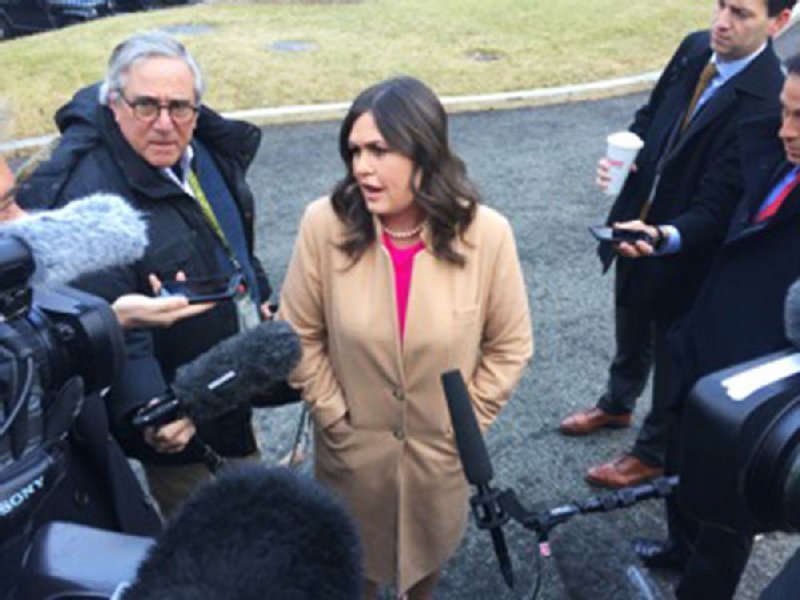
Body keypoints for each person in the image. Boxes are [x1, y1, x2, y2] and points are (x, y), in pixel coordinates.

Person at [279, 77, 533, 599]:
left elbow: (510, 346)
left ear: (424, 151)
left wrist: (461, 428)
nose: (361, 168)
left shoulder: (487, 234)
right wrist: (334, 416)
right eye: (354, 150)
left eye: (379, 150)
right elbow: (297, 332)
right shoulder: (322, 224)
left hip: (437, 467)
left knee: (424, 578)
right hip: (351, 464)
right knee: (351, 579)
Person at [15, 32, 274, 517]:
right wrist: (153, 412)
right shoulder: (92, 198)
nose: (164, 125)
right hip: (180, 421)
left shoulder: (205, 152)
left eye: (179, 107)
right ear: (114, 103)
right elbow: (109, 324)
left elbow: (230, 237)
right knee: (212, 552)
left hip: (226, 382)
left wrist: (257, 293)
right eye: (146, 106)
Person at [560, 0, 794, 491]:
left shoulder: (770, 98)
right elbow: (650, 117)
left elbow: (722, 203)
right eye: (720, 5)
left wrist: (665, 238)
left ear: (779, 23)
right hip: (638, 218)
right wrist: (624, 156)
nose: (722, 22)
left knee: (673, 351)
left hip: (688, 251)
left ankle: (653, 452)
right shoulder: (694, 48)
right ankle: (617, 404)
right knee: (630, 320)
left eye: (741, 13)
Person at [654, 52, 800, 599]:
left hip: (755, 382)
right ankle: (676, 547)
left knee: (728, 512)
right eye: (785, 113)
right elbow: (716, 217)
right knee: (682, 456)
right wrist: (664, 236)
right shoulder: (769, 147)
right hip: (705, 340)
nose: (785, 131)